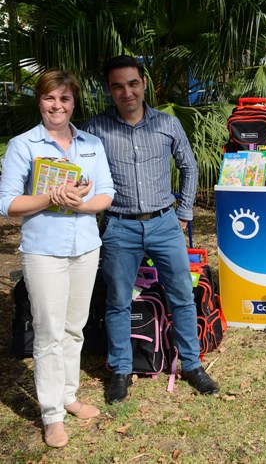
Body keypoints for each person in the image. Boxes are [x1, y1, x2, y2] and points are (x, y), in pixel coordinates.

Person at [83, 55, 218, 403]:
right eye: (117, 86)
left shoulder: (167, 124)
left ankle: (191, 364)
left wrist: (184, 213)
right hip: (118, 227)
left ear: (143, 84)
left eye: (132, 83)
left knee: (182, 297)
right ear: (109, 90)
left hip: (164, 223)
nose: (126, 92)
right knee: (117, 302)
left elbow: (189, 166)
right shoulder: (96, 129)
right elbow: (80, 172)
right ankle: (121, 370)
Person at [0, 70, 115, 448]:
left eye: (64, 99)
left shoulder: (91, 144)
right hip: (43, 251)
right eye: (51, 98)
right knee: (48, 334)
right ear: (40, 100)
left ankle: (68, 395)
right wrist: (50, 198)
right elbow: (7, 204)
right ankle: (51, 414)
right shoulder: (23, 145)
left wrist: (80, 204)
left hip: (85, 247)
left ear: (73, 103)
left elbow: (106, 195)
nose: (57, 106)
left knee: (73, 328)